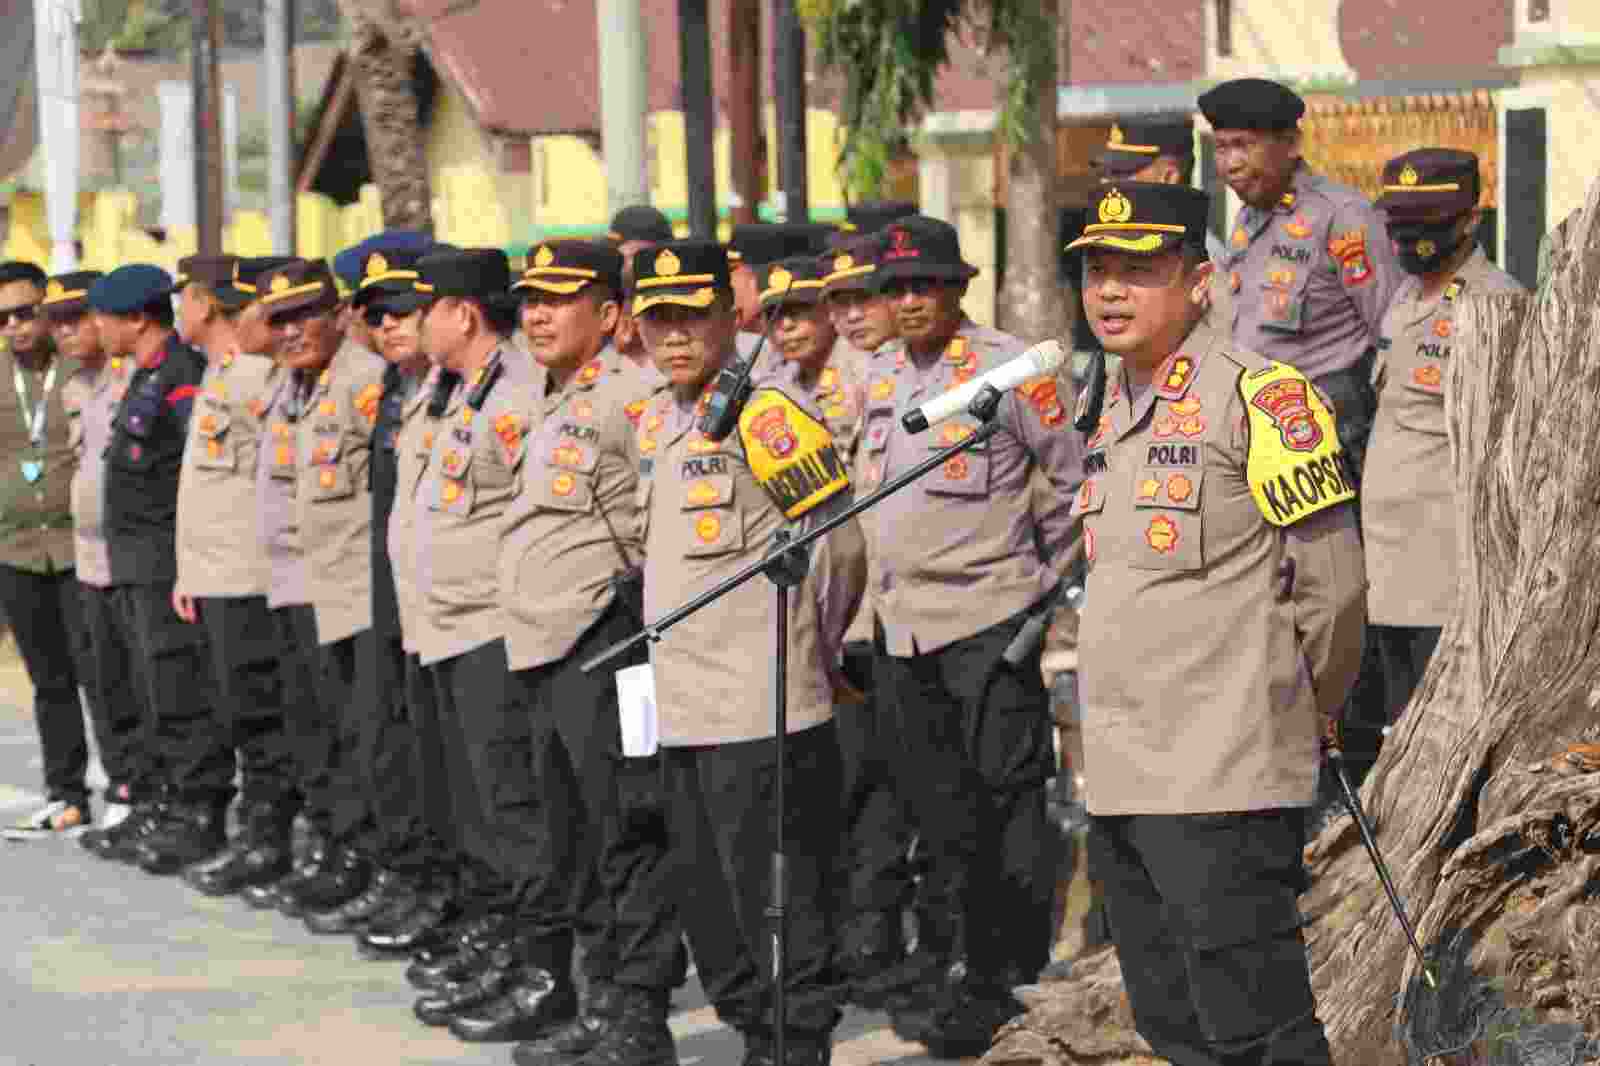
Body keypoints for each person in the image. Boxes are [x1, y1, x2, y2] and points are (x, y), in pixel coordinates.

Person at [1069, 180, 1366, 1066]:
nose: (1111, 292)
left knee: (1258, 1025)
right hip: (1123, 769)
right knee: (1171, 1023)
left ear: (1200, 282)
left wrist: (1304, 710)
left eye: (1140, 271)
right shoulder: (1107, 403)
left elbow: (1335, 588)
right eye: (1097, 272)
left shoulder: (1263, 398)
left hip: (1225, 762)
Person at [632, 239, 866, 1066]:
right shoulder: (661, 416)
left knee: (781, 895)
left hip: (759, 695)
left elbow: (834, 546)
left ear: (730, 315)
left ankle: (794, 1042)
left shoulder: (768, 413)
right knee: (706, 898)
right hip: (684, 703)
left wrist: (811, 647)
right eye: (658, 318)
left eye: (692, 316)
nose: (675, 334)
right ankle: (751, 1025)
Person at [853, 216, 1081, 1053]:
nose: (910, 302)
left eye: (926, 285)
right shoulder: (875, 376)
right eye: (897, 288)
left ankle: (1006, 980)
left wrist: (1038, 593)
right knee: (938, 815)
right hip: (903, 633)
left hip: (990, 625)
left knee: (1008, 811)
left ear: (958, 287)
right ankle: (956, 965)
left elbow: (1070, 485)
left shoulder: (1009, 370)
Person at [495, 239, 684, 1061]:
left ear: (608, 315)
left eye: (558, 298)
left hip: (604, 641)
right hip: (544, 644)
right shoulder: (545, 393)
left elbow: (665, 515)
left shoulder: (631, 395)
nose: (536, 313)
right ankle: (600, 998)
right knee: (571, 838)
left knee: (628, 833)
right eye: (529, 298)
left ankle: (639, 1019)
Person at [399, 248, 578, 1042]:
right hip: (441, 627)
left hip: (492, 631)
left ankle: (545, 969)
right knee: (473, 808)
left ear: (461, 313)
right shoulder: (444, 393)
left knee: (514, 810)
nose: (413, 325)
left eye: (424, 309)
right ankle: (503, 946)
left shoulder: (518, 396)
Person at [143, 255, 300, 883]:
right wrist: (190, 570)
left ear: (205, 305)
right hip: (215, 573)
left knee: (259, 715)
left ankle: (270, 840)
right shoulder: (223, 374)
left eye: (184, 298)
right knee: (236, 711)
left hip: (245, 575)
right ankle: (258, 833)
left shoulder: (255, 378)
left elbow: (271, 483)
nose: (178, 310)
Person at [321, 240, 456, 940]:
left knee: (439, 760)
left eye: (402, 311)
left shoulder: (452, 390)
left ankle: (444, 897)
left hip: (445, 605)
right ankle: (412, 879)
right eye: (377, 316)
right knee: (389, 743)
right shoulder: (401, 390)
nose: (389, 328)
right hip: (391, 593)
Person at [1363, 150, 1524, 730]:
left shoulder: (1496, 302)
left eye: (1427, 222)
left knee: (1443, 739)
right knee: (1392, 733)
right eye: (1400, 222)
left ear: (1470, 220)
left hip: (1448, 574)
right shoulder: (1403, 298)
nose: (1410, 237)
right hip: (1385, 569)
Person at [87, 263, 229, 867]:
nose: (96, 329)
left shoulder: (179, 376)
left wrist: (186, 564)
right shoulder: (144, 375)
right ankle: (162, 802)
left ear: (138, 319)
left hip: (166, 563)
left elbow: (191, 477)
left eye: (103, 318)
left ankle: (199, 812)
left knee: (180, 690)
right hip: (133, 564)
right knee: (149, 691)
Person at [1199, 77, 1403, 474]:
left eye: (1244, 145)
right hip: (1256, 431)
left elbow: (1394, 336)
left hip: (1331, 437)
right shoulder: (1249, 216)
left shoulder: (1343, 217)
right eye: (1221, 148)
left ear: (1291, 144)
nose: (1229, 164)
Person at [0, 261, 94, 837]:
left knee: (107, 678)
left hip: (80, 547)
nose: (14, 326)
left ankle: (134, 790)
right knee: (50, 681)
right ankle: (67, 794)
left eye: (24, 312)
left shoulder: (80, 369)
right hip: (16, 550)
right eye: (2, 317)